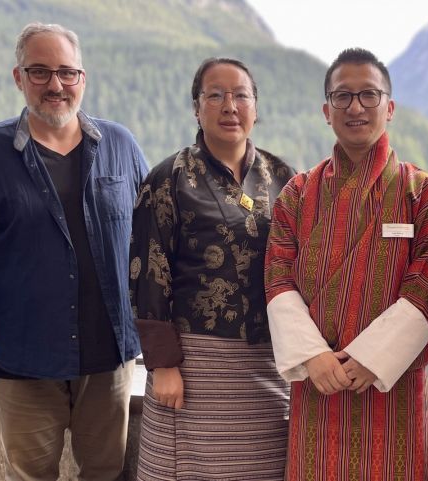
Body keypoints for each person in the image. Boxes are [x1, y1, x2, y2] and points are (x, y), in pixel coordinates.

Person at [0, 23, 147, 480]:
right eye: (40, 72)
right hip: (22, 355)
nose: (56, 85)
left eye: (67, 73)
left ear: (82, 78)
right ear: (19, 78)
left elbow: (150, 243)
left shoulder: (120, 145)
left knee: (107, 472)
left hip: (110, 353)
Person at [265, 48, 428, 481]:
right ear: (327, 111)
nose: (356, 107)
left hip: (393, 388)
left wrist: (374, 357)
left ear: (390, 106)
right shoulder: (298, 192)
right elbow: (277, 276)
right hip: (317, 387)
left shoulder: (421, 191)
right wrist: (313, 357)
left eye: (369, 95)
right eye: (343, 97)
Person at [129, 57, 294, 480]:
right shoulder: (169, 178)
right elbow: (147, 270)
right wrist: (163, 365)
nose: (229, 105)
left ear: (256, 107)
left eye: (241, 95)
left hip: (267, 361)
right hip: (194, 363)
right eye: (215, 95)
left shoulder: (283, 178)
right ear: (196, 107)